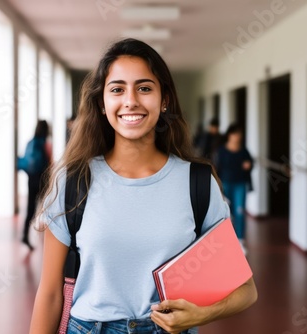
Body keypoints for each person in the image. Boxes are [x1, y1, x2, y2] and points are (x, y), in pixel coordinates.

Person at [29, 39, 257, 334]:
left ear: (164, 100)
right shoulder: (73, 181)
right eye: (117, 89)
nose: (131, 100)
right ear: (102, 103)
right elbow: (49, 294)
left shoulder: (197, 182)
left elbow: (246, 290)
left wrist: (198, 315)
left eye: (145, 88)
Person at [216, 123, 253, 255]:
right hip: (226, 184)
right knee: (226, 214)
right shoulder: (222, 150)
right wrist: (217, 187)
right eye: (234, 134)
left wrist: (249, 165)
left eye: (239, 134)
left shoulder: (243, 150)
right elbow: (217, 168)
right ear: (229, 135)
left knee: (240, 211)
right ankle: (226, 241)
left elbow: (250, 162)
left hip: (240, 184)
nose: (237, 137)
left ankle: (240, 240)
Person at [21, 120, 52, 250]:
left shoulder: (30, 142)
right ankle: (47, 234)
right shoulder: (45, 144)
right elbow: (49, 163)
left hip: (31, 178)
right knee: (47, 206)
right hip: (42, 179)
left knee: (30, 207)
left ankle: (25, 235)